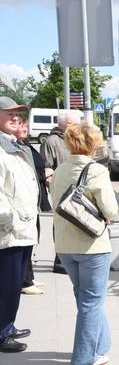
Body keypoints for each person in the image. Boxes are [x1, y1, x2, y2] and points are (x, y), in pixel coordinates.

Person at [49, 122, 118, 365]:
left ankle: (100, 346)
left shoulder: (59, 170)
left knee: (85, 297)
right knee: (91, 301)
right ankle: (84, 359)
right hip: (92, 247)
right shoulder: (97, 171)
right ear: (93, 144)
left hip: (65, 246)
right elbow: (111, 209)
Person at [0, 96, 39, 353]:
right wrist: (8, 222)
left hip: (22, 228)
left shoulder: (13, 145)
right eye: (9, 113)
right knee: (6, 284)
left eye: (18, 113)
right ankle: (2, 333)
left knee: (14, 284)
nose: (16, 117)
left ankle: (8, 325)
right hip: (10, 230)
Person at [40, 110, 81, 274]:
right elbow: (46, 166)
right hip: (62, 190)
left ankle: (75, 257)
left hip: (79, 189)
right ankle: (60, 261)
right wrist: (52, 180)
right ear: (62, 124)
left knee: (78, 223)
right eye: (73, 123)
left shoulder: (76, 138)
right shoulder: (52, 141)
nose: (76, 126)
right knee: (62, 224)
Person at [16, 117, 53, 296]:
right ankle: (25, 281)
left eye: (25, 125)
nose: (24, 129)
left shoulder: (25, 145)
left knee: (32, 239)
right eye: (21, 126)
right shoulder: (17, 148)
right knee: (26, 241)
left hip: (33, 200)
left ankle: (28, 277)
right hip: (23, 203)